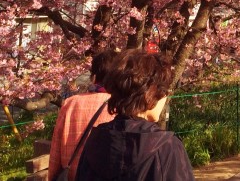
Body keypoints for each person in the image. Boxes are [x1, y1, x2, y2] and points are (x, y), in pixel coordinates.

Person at [76, 49, 194, 181]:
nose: (166, 96)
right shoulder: (167, 147)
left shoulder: (95, 141)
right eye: (165, 91)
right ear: (150, 94)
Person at [49, 50, 118, 181]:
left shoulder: (70, 103)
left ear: (94, 77)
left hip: (72, 176)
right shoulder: (119, 106)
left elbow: (55, 153)